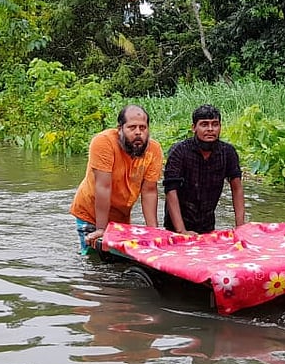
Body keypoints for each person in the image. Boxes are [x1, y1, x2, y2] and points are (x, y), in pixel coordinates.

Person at [70, 104, 164, 254]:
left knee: (117, 263)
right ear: (120, 129)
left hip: (120, 216)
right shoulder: (103, 142)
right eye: (132, 128)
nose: (138, 132)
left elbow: (149, 192)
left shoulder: (154, 150)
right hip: (91, 212)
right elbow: (103, 187)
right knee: (94, 262)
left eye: (143, 127)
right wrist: (101, 229)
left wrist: (154, 231)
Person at [163, 104, 246, 235]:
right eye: (204, 124)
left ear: (220, 127)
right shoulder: (179, 151)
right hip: (176, 225)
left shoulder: (228, 152)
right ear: (194, 128)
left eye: (215, 124)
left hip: (207, 225)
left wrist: (240, 228)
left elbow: (237, 188)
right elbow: (170, 190)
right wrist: (181, 230)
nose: (210, 129)